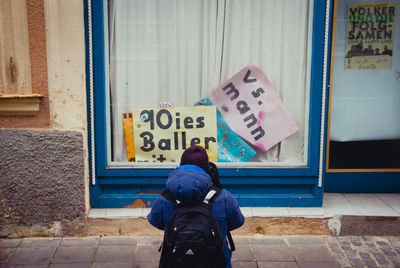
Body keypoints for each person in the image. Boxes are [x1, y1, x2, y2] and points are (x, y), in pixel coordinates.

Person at [148, 145, 245, 268]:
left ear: (181, 166)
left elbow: (156, 222)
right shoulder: (224, 197)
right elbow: (238, 222)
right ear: (208, 169)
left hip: (175, 260)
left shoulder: (165, 197)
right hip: (216, 262)